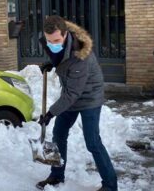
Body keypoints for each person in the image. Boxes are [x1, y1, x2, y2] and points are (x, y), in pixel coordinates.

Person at [36, 15, 118, 191]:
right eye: (49, 40)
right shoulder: (51, 40)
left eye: (57, 40)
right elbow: (62, 57)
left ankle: (110, 185)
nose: (52, 44)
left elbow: (73, 93)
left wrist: (50, 113)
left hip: (89, 97)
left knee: (93, 142)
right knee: (58, 134)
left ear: (66, 35)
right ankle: (56, 175)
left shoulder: (82, 55)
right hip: (71, 94)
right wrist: (51, 63)